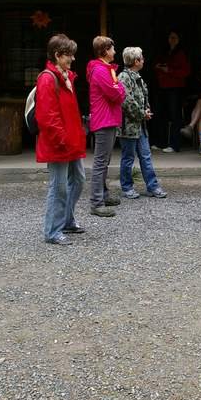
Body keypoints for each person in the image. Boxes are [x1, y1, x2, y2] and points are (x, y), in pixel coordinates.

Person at [35, 34, 86, 246]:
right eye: (69, 55)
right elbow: (47, 116)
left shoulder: (65, 76)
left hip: (69, 140)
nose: (72, 59)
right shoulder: (48, 78)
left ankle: (66, 221)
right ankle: (52, 231)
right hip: (59, 142)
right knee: (59, 188)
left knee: (79, 180)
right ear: (57, 55)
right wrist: (62, 139)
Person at [118, 47, 168, 199]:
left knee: (146, 156)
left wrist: (146, 110)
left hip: (140, 126)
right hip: (128, 127)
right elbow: (126, 101)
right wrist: (142, 113)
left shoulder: (138, 77)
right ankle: (127, 187)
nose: (144, 60)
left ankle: (152, 186)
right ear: (136, 61)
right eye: (141, 58)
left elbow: (142, 98)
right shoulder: (123, 77)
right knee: (128, 158)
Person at [86, 35, 126, 218]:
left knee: (104, 161)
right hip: (104, 119)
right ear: (105, 51)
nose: (114, 51)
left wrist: (119, 87)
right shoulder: (101, 71)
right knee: (101, 163)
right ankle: (96, 202)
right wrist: (121, 88)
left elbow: (116, 89)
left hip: (107, 118)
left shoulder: (103, 69)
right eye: (112, 48)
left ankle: (103, 195)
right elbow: (115, 93)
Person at [152, 30, 191, 153]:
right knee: (160, 115)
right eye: (170, 37)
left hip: (175, 88)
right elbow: (156, 65)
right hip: (162, 87)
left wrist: (169, 70)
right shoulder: (164, 51)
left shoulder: (182, 53)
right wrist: (159, 68)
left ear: (179, 39)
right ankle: (161, 142)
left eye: (174, 37)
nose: (172, 40)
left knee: (175, 117)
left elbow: (185, 72)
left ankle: (175, 145)